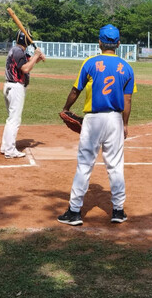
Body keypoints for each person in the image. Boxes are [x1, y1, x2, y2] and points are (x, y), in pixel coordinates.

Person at [57, 24, 136, 226]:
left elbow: (76, 90)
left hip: (93, 120)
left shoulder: (90, 63)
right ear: (118, 43)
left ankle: (74, 212)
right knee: (115, 165)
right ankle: (118, 210)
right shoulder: (126, 67)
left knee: (84, 164)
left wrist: (66, 108)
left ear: (99, 42)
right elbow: (127, 101)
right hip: (115, 120)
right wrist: (125, 124)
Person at [0, 29, 45, 159]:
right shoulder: (18, 51)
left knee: (11, 119)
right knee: (14, 120)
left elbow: (26, 64)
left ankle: (5, 146)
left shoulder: (17, 50)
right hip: (16, 87)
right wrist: (36, 55)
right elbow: (25, 69)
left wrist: (36, 59)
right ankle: (10, 150)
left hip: (11, 87)